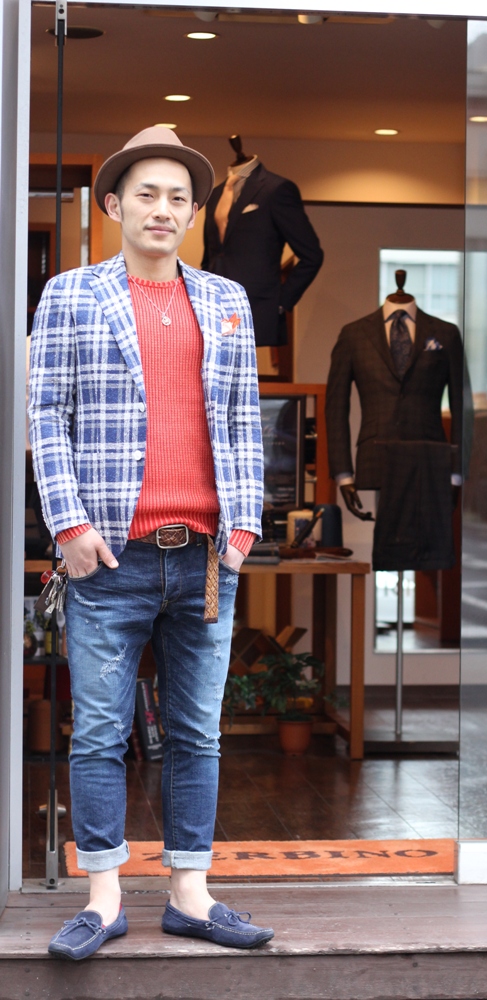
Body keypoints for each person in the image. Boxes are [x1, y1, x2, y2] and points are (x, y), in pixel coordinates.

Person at [28, 127, 273, 960]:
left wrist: (244, 526)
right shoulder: (69, 294)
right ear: (113, 205)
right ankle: (102, 899)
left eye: (178, 197)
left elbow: (242, 420)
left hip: (204, 556)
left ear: (194, 213)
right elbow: (46, 417)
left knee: (196, 733)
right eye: (146, 194)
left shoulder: (226, 300)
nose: (162, 209)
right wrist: (69, 526)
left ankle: (189, 895)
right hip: (110, 556)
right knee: (100, 733)